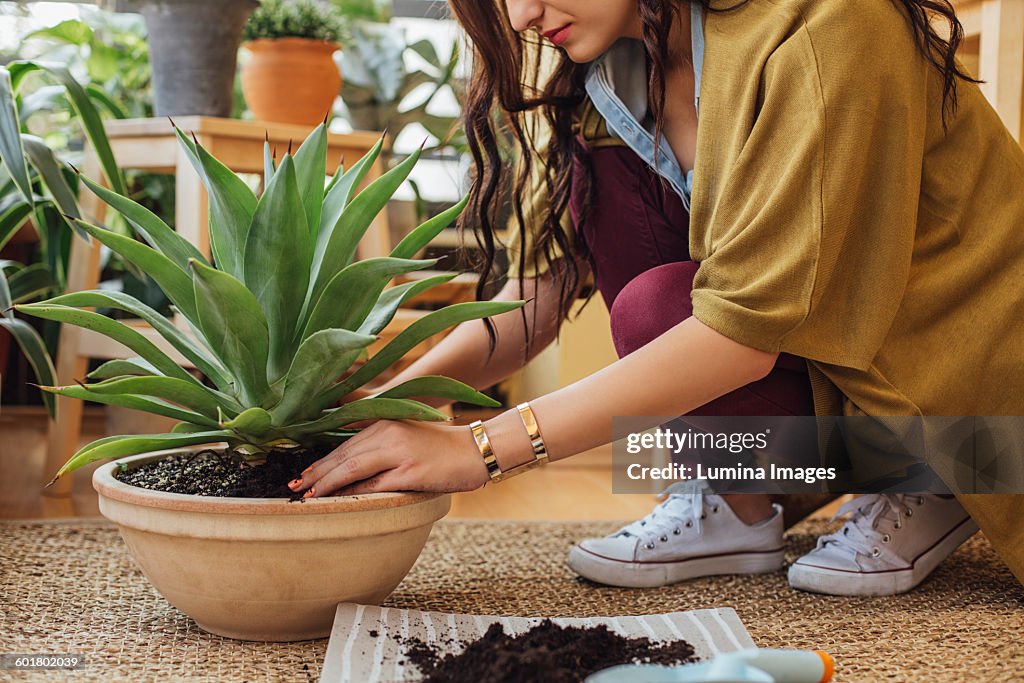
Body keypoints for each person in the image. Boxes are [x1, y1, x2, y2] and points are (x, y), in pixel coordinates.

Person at [289, 0, 1024, 596]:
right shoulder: (614, 67)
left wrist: (479, 449)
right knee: (644, 274)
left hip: (974, 413)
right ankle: (736, 505)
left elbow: (740, 333)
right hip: (844, 396)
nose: (518, 16)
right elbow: (537, 296)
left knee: (655, 310)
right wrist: (394, 403)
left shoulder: (830, 25)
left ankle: (937, 483)